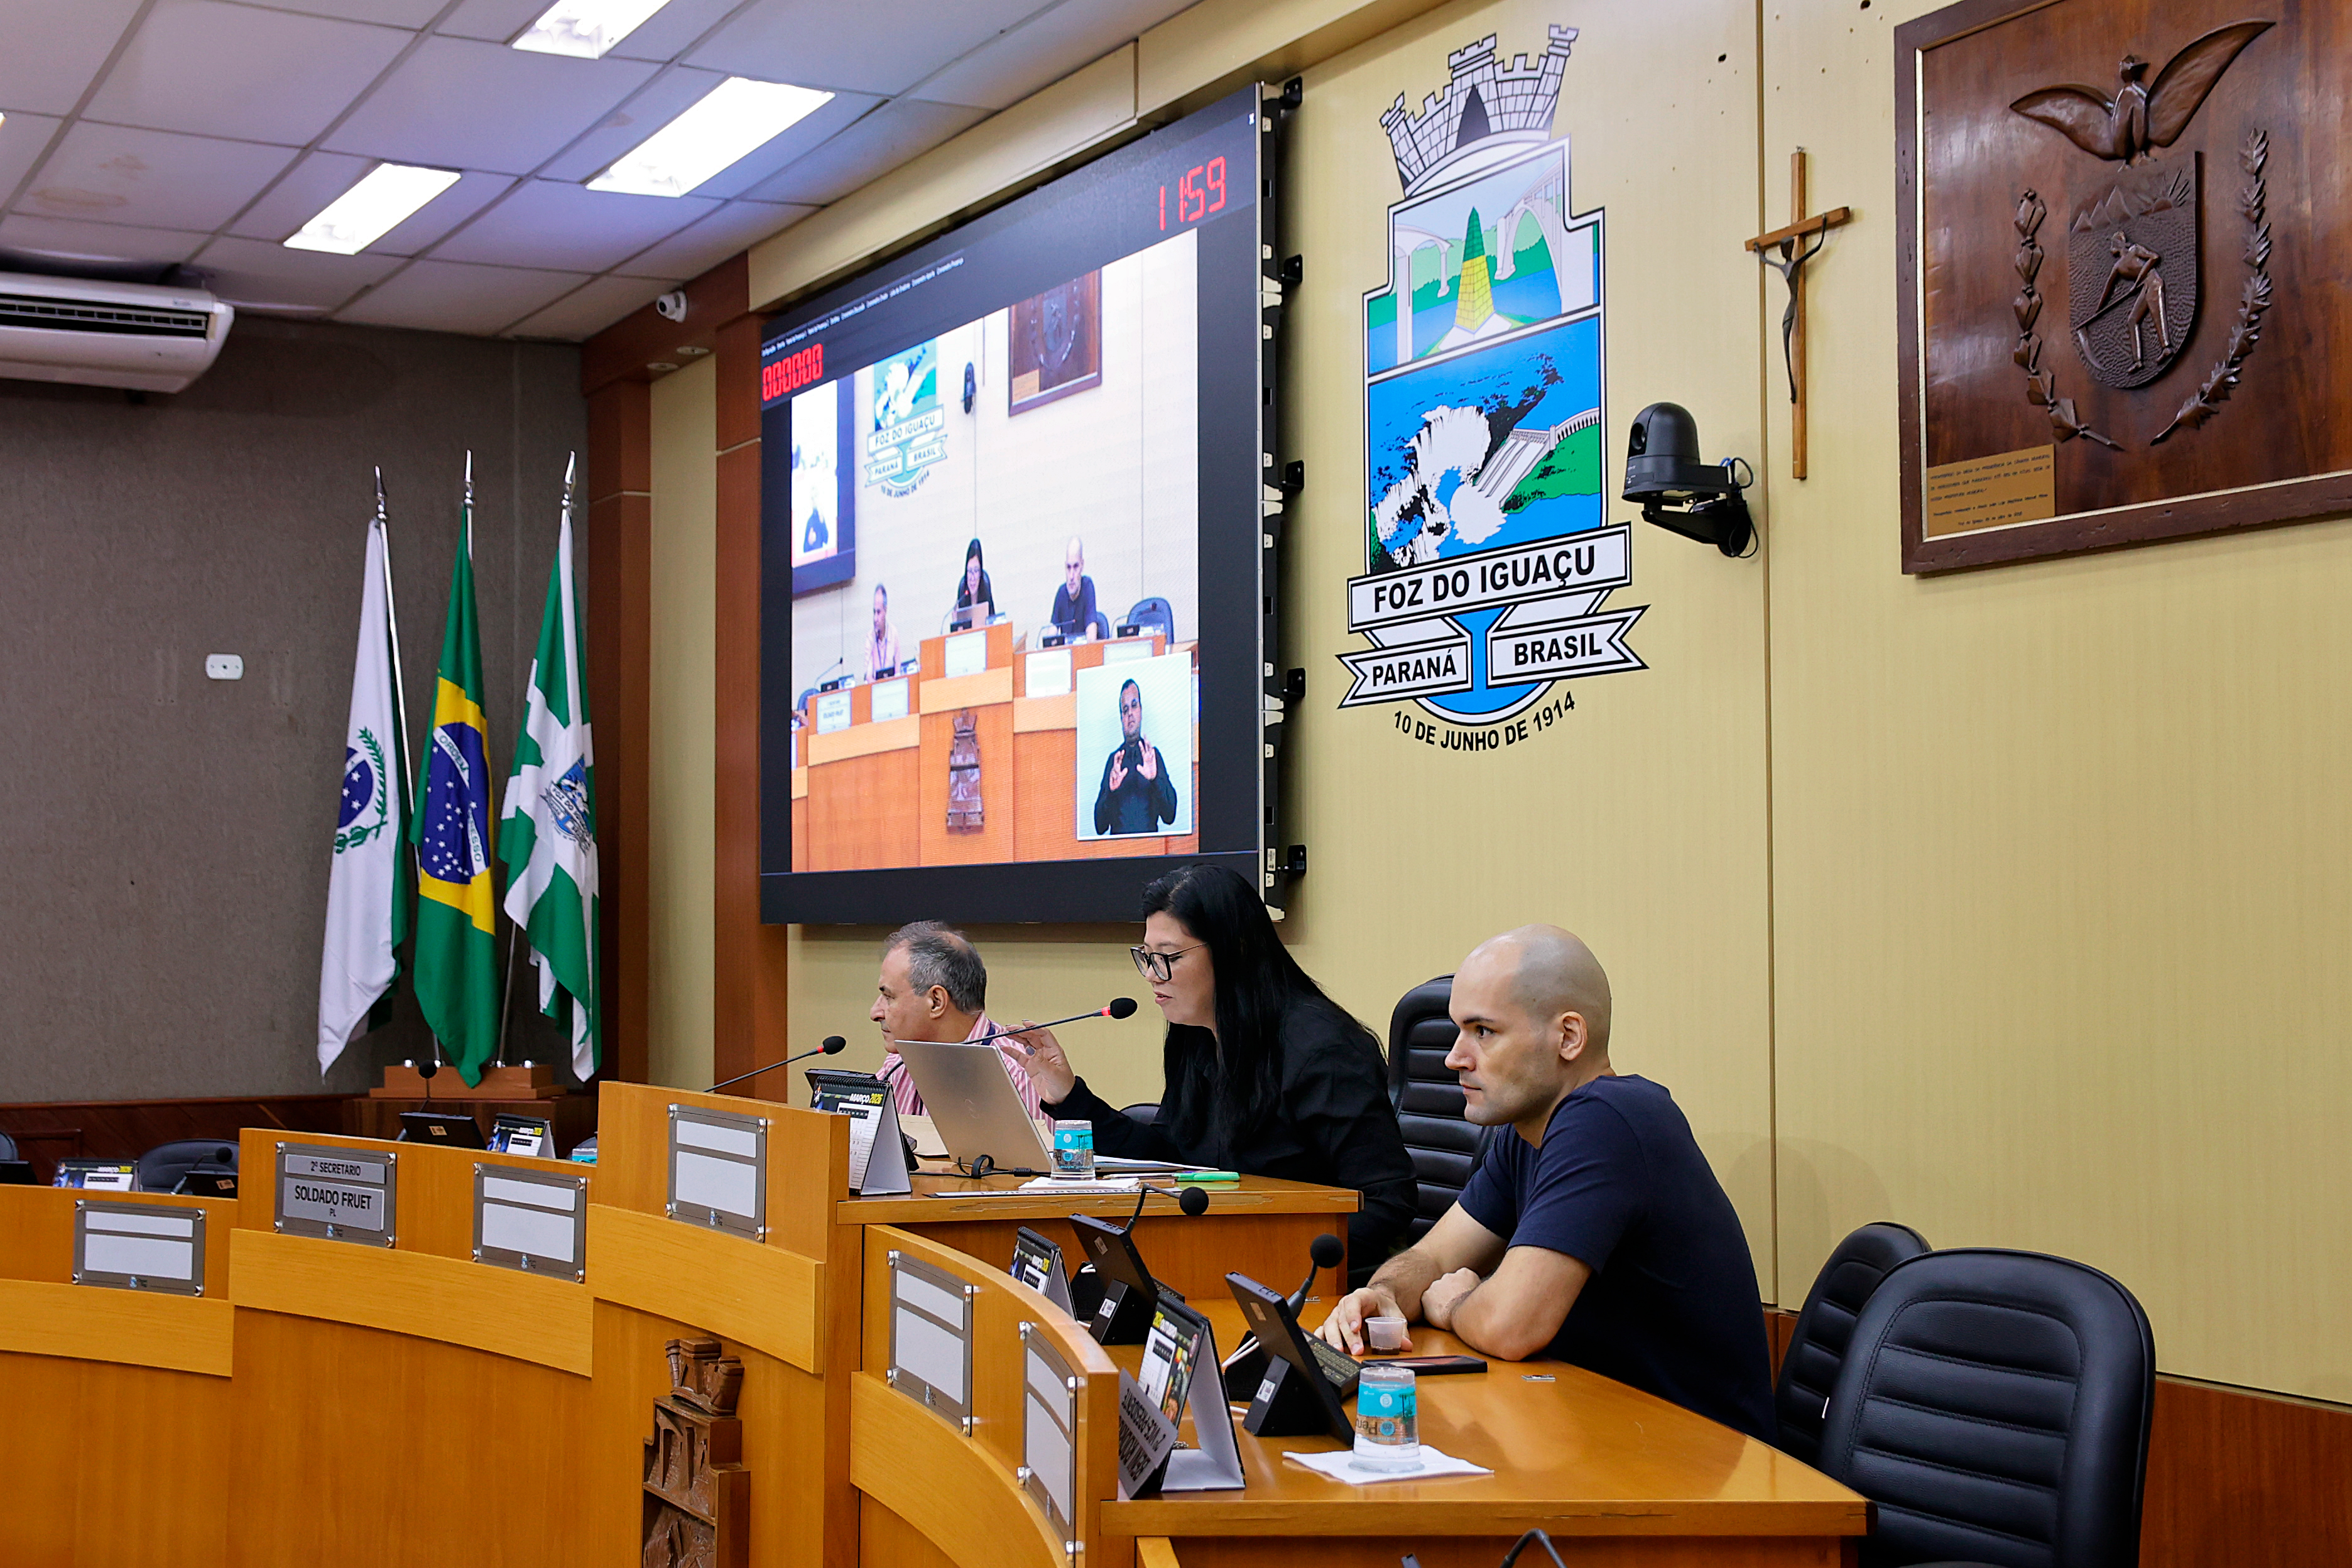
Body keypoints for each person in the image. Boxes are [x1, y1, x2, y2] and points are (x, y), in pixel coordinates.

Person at [1315, 925, 1775, 1441]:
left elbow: (1510, 1327)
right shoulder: (1528, 1132)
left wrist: (1453, 1306)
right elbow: (1435, 1260)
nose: (1454, 1057)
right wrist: (1382, 1294)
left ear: (1569, 1037)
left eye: (1483, 1032)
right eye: (1457, 1031)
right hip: (1605, 1431)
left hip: (1699, 1466)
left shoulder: (1608, 1120)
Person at [1004, 864, 1415, 1271]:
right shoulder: (1197, 1035)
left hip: (1307, 1280)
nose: (1150, 975)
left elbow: (1385, 1203)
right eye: (1146, 957)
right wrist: (1069, 1096)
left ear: (1233, 951)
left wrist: (1263, 1257)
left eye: (1167, 958)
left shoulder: (1324, 1051)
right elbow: (1171, 1160)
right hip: (1220, 1259)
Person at [872, 922, 1040, 1120]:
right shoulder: (897, 1065)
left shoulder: (1018, 1075)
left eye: (889, 997)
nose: (875, 1013)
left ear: (936, 1002)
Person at [1091, 678, 1176, 835]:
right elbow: (1099, 827)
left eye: (1134, 706)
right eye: (1125, 709)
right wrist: (1111, 791)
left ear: (1141, 711)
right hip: (1118, 853)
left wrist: (1155, 779)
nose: (1130, 713)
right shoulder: (1114, 761)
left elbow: (1170, 816)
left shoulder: (1153, 756)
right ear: (1121, 718)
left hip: (1149, 852)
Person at [1049, 536, 1101, 642]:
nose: (1071, 576)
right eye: (1068, 568)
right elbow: (1052, 631)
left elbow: (1091, 634)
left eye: (1076, 567)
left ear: (1082, 566)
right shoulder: (1061, 592)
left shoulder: (1087, 586)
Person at [952, 538, 994, 629]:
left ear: (981, 573)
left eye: (976, 571)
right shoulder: (963, 590)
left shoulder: (985, 587)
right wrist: (955, 623)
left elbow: (993, 624)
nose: (972, 578)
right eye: (970, 571)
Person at [866, 582, 900, 680]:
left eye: (879, 612)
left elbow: (899, 670)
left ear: (885, 611)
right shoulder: (870, 637)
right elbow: (868, 676)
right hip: (875, 689)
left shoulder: (894, 633)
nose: (875, 618)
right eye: (874, 612)